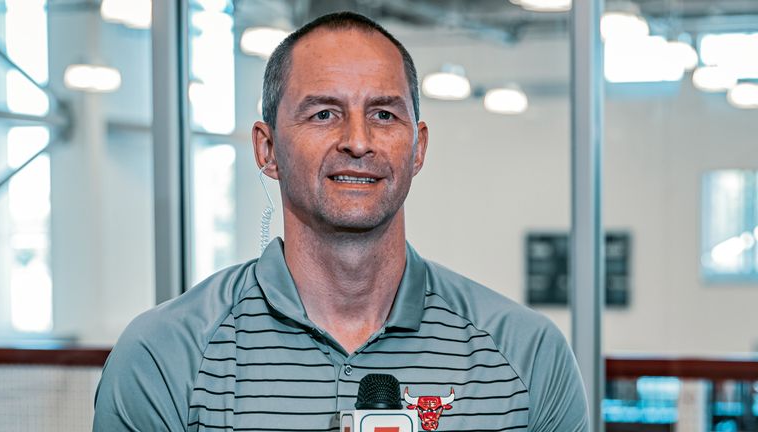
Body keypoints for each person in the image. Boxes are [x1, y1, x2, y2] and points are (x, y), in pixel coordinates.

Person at [93, 11, 589, 432]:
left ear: (418, 149)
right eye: (325, 114)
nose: (358, 140)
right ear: (268, 150)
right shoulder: (164, 357)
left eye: (384, 115)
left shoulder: (526, 355)